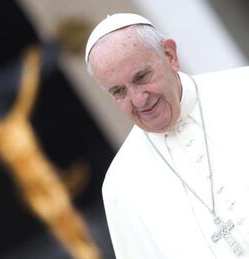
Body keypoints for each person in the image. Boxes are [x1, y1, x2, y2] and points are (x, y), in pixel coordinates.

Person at [85, 13, 249, 258]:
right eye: (119, 91)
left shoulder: (242, 89)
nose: (139, 100)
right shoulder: (120, 187)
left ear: (170, 56)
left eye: (141, 77)